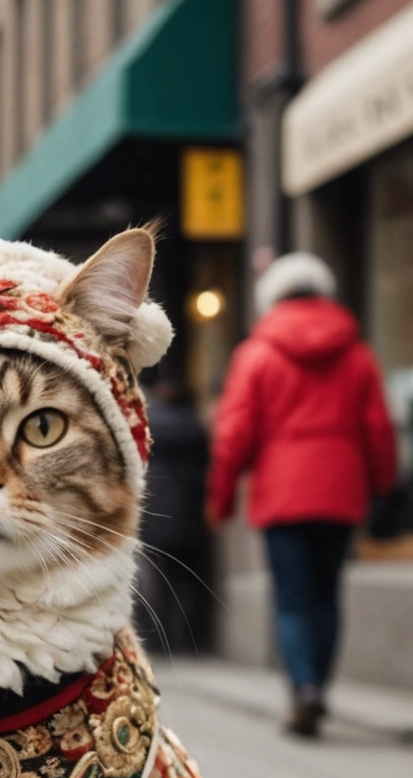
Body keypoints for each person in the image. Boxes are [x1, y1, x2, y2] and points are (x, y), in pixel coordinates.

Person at [209, 252, 396, 738]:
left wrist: (222, 496)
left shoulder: (256, 354)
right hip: (340, 492)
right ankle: (318, 688)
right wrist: (384, 484)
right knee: (327, 595)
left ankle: (304, 688)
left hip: (282, 495)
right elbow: (378, 428)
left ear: (271, 298)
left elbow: (234, 432)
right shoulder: (358, 354)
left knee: (292, 598)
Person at [135, 370, 212, 659]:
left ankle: (158, 640)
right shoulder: (195, 427)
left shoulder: (147, 426)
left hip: (155, 514)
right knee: (187, 581)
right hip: (189, 515)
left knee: (155, 579)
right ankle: (189, 639)